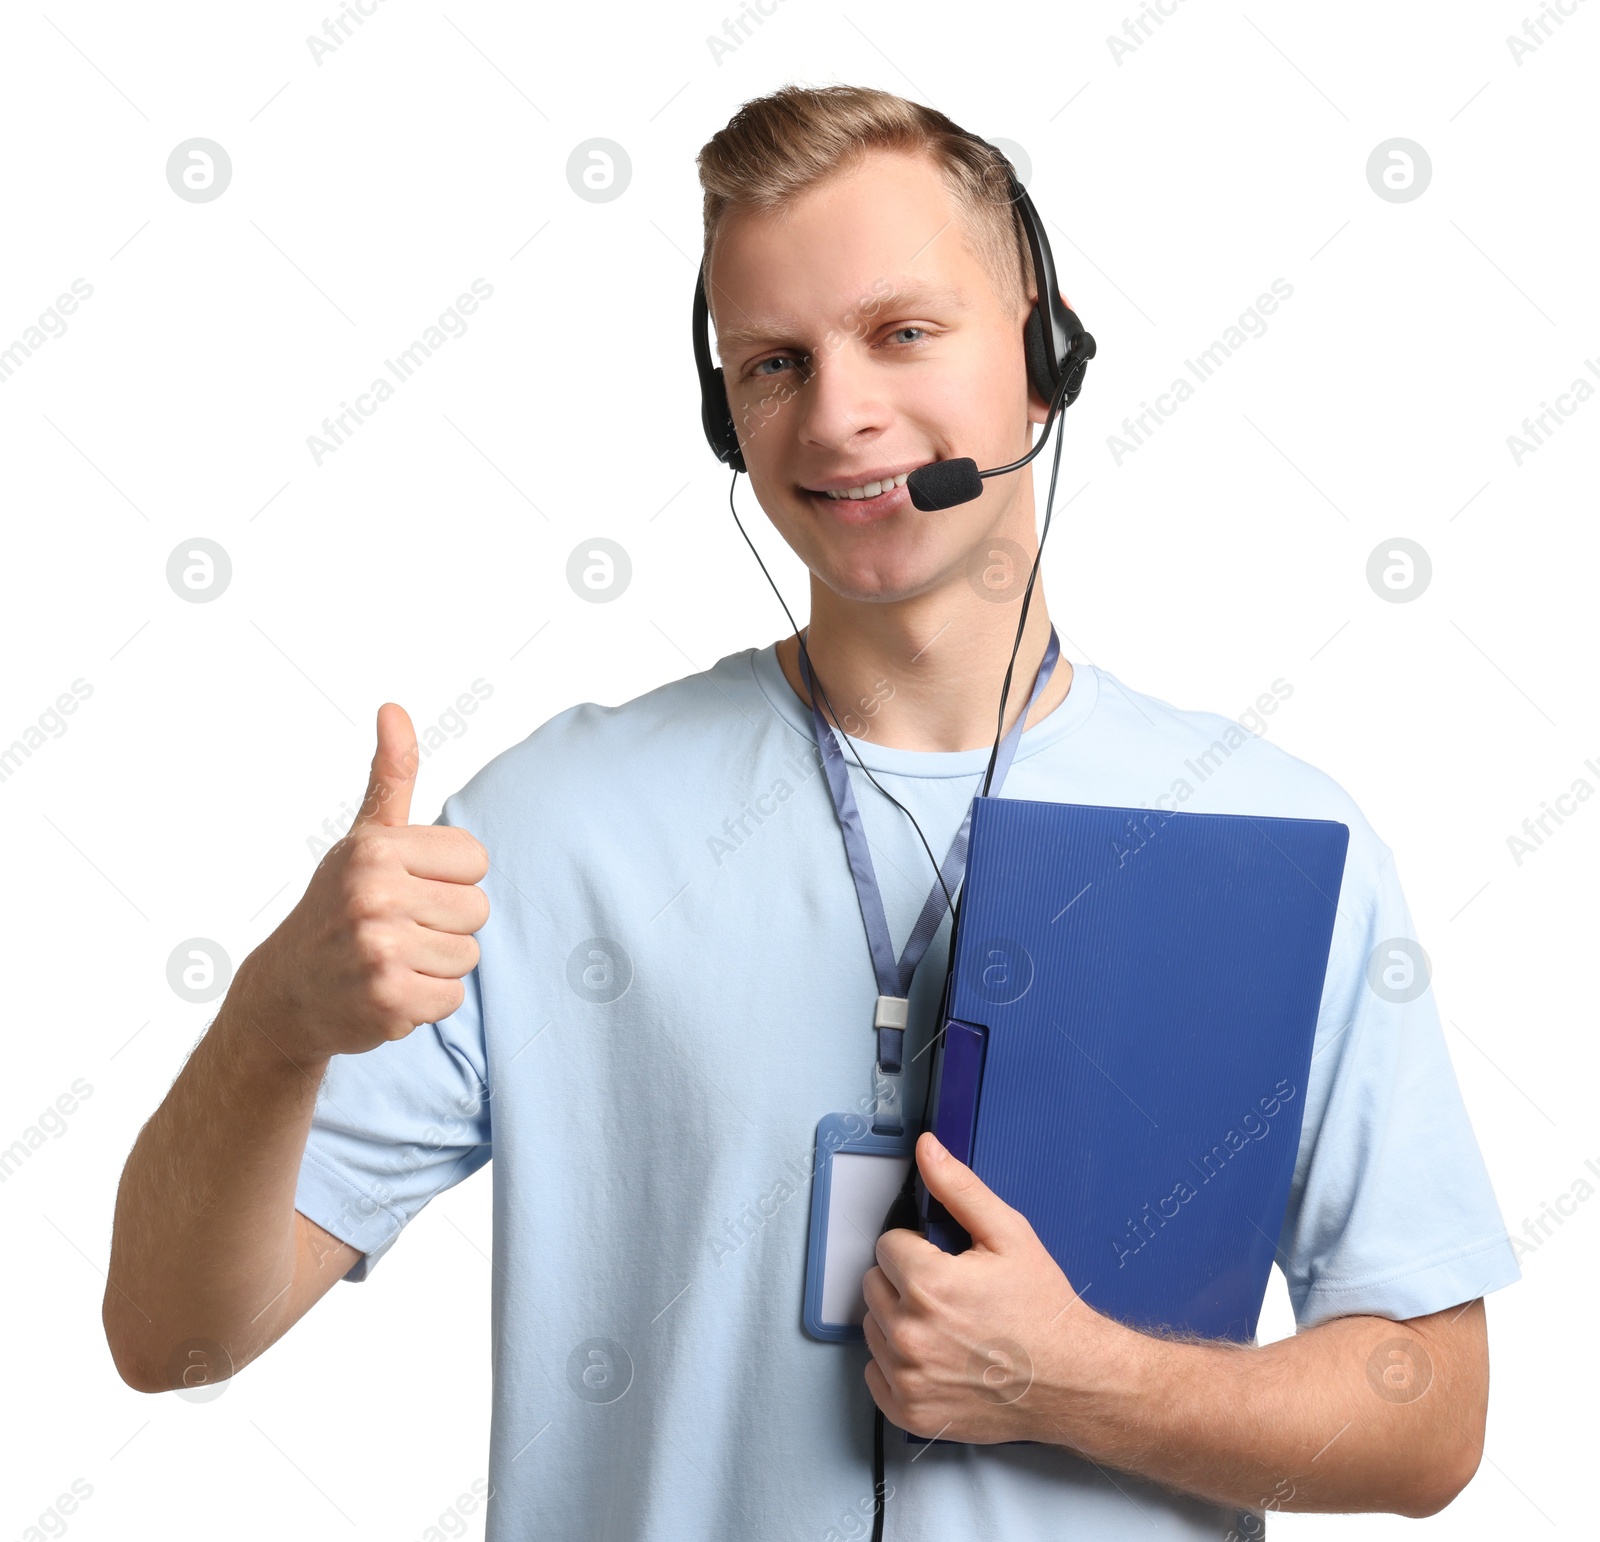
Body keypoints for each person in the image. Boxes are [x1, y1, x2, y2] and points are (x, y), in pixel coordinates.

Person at [102, 84, 1520, 1540]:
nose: (839, 413)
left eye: (904, 333)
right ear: (728, 414)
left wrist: (1073, 1378)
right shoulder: (550, 829)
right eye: (774, 362)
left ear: (1043, 354)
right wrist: (273, 1015)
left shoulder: (1276, 847)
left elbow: (1430, 1418)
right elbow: (173, 1338)